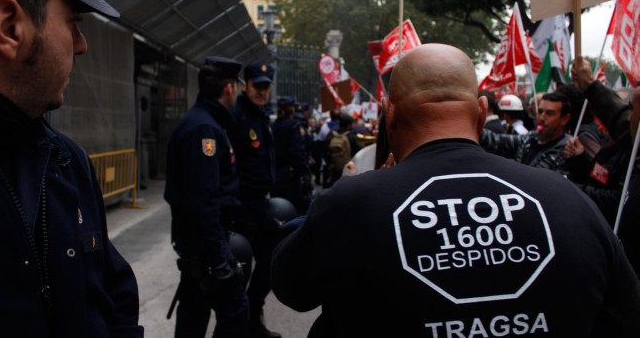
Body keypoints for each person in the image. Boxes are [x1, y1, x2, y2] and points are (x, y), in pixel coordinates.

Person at [271, 44, 640, 337]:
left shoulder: (350, 205)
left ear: (390, 114)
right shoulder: (568, 201)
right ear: (481, 113)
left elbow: (290, 288)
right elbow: (624, 315)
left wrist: (341, 201)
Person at [0, 0, 143, 336]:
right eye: (73, 22)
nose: (82, 45)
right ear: (9, 26)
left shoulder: (66, 159)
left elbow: (114, 293)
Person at [164, 56, 249, 337]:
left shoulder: (207, 122)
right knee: (235, 312)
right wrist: (217, 258)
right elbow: (204, 201)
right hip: (204, 247)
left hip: (198, 245)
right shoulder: (205, 130)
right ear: (229, 88)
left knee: (193, 313)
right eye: (237, 85)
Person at [571, 55, 640, 276]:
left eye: (631, 109)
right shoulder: (628, 145)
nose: (628, 117)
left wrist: (571, 189)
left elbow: (614, 199)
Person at [228, 62, 281, 338]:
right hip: (242, 206)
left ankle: (252, 318)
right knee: (240, 274)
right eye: (256, 86)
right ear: (244, 86)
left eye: (265, 86)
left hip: (262, 204)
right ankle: (242, 327)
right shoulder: (236, 118)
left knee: (271, 266)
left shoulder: (261, 117)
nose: (261, 91)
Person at [479, 92, 572, 174]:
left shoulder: (568, 150)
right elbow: (497, 141)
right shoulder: (529, 138)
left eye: (549, 113)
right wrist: (475, 127)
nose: (542, 118)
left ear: (565, 119)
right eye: (540, 112)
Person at [272, 96, 311, 213]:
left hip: (276, 174)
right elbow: (297, 153)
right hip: (290, 176)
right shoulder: (294, 126)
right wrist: (303, 172)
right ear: (292, 109)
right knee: (293, 209)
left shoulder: (274, 125)